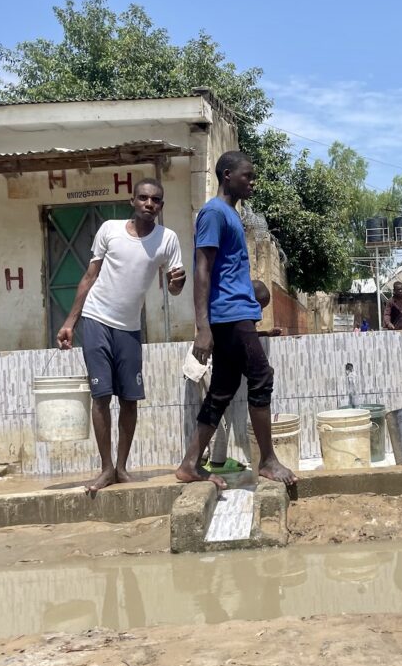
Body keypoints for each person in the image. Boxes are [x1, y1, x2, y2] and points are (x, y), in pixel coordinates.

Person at [176, 151, 297, 489]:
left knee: (223, 389)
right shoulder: (214, 213)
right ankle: (268, 460)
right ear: (227, 175)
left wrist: (253, 289)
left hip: (236, 309)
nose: (252, 182)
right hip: (229, 314)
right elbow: (202, 269)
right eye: (247, 176)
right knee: (261, 376)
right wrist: (203, 328)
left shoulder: (229, 214)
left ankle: (189, 463)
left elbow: (228, 270)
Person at [57, 179, 186, 492]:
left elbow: (175, 286)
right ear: (133, 200)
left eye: (155, 200)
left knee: (130, 400)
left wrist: (176, 284)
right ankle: (105, 470)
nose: (148, 204)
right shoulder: (109, 230)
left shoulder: (167, 239)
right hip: (96, 319)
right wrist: (70, 322)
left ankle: (122, 467)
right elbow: (90, 277)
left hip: (129, 328)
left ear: (161, 206)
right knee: (101, 396)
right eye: (143, 198)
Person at [200, 279, 281, 475]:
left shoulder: (236, 310)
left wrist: (265, 334)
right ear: (252, 300)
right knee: (218, 406)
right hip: (203, 363)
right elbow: (242, 340)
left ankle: (202, 460)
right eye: (260, 306)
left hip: (208, 358)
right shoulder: (238, 309)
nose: (260, 312)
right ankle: (209, 460)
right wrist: (259, 368)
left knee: (219, 403)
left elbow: (245, 336)